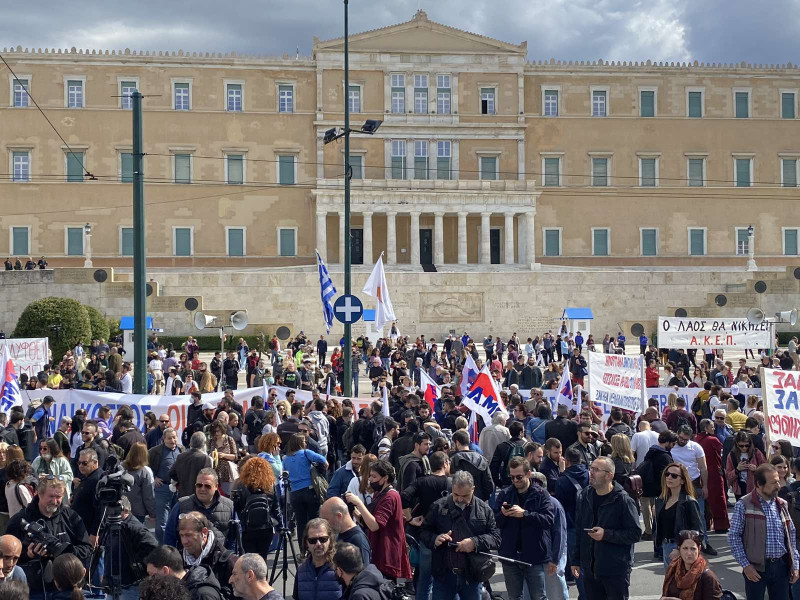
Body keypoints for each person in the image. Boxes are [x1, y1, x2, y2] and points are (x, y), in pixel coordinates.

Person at [418, 469, 500, 600]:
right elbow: (424, 531)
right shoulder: (438, 506)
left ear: (473, 489)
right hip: (444, 576)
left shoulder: (484, 509)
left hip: (471, 576)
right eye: (456, 494)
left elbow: (496, 537)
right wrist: (435, 538)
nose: (460, 499)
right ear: (452, 488)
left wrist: (474, 542)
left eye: (465, 496)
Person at [6, 477, 92, 599]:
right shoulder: (20, 521)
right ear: (38, 494)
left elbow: (87, 549)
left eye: (59, 497)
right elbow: (5, 556)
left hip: (68, 589)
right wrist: (28, 554)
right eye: (51, 496)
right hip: (34, 589)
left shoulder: (71, 517)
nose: (55, 501)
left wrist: (64, 551)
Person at [570, 456, 640, 600]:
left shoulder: (623, 500)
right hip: (590, 570)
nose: (591, 472)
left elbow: (634, 533)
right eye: (591, 468)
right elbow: (579, 531)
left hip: (615, 570)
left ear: (609, 475)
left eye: (596, 470)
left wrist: (606, 534)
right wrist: (575, 560)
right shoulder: (585, 495)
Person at [729, 463, 800, 600]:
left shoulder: (782, 504)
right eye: (773, 483)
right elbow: (734, 537)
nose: (778, 486)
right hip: (756, 569)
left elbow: (791, 535)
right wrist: (746, 566)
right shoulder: (743, 504)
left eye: (778, 481)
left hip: (781, 567)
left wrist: (795, 565)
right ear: (759, 485)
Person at [494, 457, 555, 600]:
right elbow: (494, 522)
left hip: (534, 555)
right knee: (514, 597)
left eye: (519, 477)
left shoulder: (541, 494)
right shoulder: (505, 494)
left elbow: (549, 520)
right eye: (512, 477)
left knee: (538, 596)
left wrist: (525, 514)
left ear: (528, 474)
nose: (515, 481)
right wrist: (503, 514)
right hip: (510, 555)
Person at [344, 459, 411, 581]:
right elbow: (368, 523)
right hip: (378, 553)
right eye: (370, 476)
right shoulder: (379, 494)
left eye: (374, 476)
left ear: (385, 478)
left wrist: (358, 502)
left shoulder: (391, 496)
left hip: (387, 556)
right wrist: (353, 510)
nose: (370, 479)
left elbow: (375, 525)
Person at [102, 496, 159, 599]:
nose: (110, 513)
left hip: (129, 585)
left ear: (126, 510)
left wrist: (134, 561)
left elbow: (153, 546)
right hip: (113, 583)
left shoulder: (133, 527)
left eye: (116, 510)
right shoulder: (112, 526)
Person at [671, 425, 716, 556]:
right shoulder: (672, 447)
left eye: (685, 439)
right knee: (678, 515)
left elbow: (703, 468)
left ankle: (703, 543)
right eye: (681, 438)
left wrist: (705, 486)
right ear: (677, 434)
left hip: (695, 483)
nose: (682, 441)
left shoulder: (696, 447)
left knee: (700, 515)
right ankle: (680, 544)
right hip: (678, 484)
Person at [164, 468, 235, 549]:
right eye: (199, 485)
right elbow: (169, 536)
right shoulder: (181, 505)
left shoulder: (229, 506)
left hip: (219, 559)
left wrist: (229, 557)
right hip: (187, 559)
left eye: (207, 486)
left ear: (216, 487)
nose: (202, 489)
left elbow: (234, 538)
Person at [653, 462, 703, 571]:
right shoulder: (661, 501)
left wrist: (679, 549)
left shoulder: (688, 502)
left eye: (674, 476)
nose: (669, 477)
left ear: (682, 480)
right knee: (670, 583)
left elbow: (698, 532)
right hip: (665, 546)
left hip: (681, 548)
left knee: (682, 583)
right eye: (667, 474)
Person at [178, 511, 237, 595]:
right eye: (181, 535)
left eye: (189, 535)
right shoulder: (178, 560)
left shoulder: (228, 563)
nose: (184, 541)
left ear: (204, 532)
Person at [231, 456, 280, 555]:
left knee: (249, 558)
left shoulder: (240, 484)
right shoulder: (269, 485)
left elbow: (236, 507)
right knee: (263, 558)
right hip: (266, 527)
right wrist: (280, 526)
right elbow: (276, 507)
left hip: (247, 528)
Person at [283, 433, 328, 539]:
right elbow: (321, 458)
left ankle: (303, 550)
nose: (305, 443)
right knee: (314, 520)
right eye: (304, 441)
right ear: (299, 443)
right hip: (309, 490)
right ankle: (316, 543)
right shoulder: (305, 453)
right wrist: (325, 463)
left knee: (301, 523)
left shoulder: (285, 459)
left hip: (295, 493)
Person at [145, 544, 223, 600]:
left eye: (152, 575)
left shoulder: (202, 594)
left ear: (165, 570)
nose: (150, 579)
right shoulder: (171, 590)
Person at [662, 529, 722, 600]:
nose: (689, 553)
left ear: (699, 549)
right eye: (685, 548)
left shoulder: (708, 578)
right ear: (679, 549)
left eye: (693, 549)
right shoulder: (673, 568)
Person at [695, 418, 730, 533]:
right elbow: (722, 454)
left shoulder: (696, 439)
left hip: (699, 472)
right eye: (712, 427)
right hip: (714, 471)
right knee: (718, 498)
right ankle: (721, 525)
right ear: (706, 428)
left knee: (704, 499)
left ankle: (707, 523)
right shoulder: (712, 440)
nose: (714, 428)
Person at [293, 518, 341, 600]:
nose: (318, 544)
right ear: (306, 543)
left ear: (330, 540)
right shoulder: (301, 571)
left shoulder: (340, 568)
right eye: (312, 540)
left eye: (323, 539)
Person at [149, 427, 182, 543]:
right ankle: (163, 547)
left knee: (177, 520)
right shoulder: (155, 451)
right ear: (164, 439)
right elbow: (145, 465)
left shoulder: (182, 449)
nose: (172, 440)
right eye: (169, 438)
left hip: (178, 489)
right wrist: (154, 477)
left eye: (174, 437)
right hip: (162, 489)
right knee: (162, 523)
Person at [320, 496, 371, 567]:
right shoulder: (338, 534)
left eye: (326, 520)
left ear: (339, 516)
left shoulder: (358, 540)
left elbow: (364, 574)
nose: (325, 525)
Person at [450, 430, 494, 502]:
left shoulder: (453, 460)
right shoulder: (481, 459)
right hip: (479, 500)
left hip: (459, 501)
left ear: (457, 443)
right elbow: (489, 484)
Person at [170, 431, 213, 499]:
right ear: (203, 444)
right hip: (199, 496)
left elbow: (171, 473)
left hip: (183, 495)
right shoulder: (205, 458)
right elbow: (208, 479)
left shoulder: (181, 456)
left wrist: (182, 481)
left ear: (191, 443)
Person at [727, 430, 767, 501]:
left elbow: (765, 469)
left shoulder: (756, 452)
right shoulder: (732, 455)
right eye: (741, 446)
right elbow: (728, 476)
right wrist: (737, 470)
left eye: (747, 445)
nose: (744, 448)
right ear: (736, 444)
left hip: (754, 488)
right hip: (739, 489)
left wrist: (756, 469)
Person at [123, 441, 156, 524]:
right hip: (137, 511)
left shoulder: (121, 468)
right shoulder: (145, 472)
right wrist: (152, 513)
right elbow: (148, 495)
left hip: (121, 508)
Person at [490, 421, 527, 488]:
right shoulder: (528, 446)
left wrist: (498, 482)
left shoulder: (502, 446)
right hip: (525, 481)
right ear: (521, 432)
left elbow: (494, 467)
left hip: (507, 481)